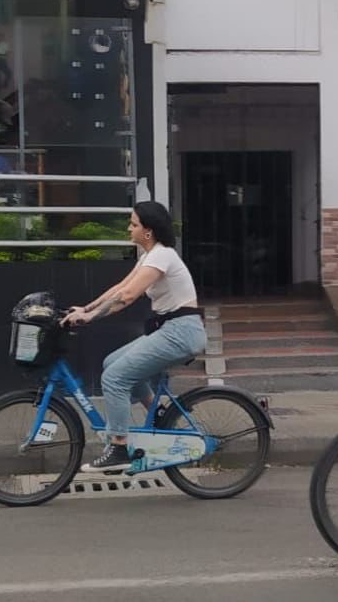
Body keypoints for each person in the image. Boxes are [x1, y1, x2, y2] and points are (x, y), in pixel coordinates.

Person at [62, 201, 207, 472]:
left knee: (115, 378)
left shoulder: (162, 255)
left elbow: (127, 297)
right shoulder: (148, 256)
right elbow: (120, 287)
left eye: (134, 224)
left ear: (148, 231)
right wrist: (86, 308)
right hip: (170, 330)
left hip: (181, 332)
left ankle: (118, 447)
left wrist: (91, 318)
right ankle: (159, 413)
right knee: (112, 362)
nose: (129, 229)